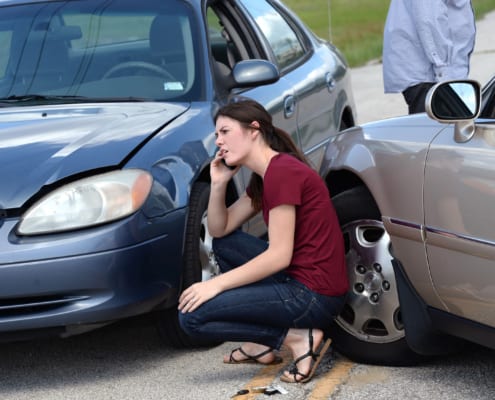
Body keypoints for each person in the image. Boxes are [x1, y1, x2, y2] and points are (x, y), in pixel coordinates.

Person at [178, 99, 349, 384]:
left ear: (253, 129)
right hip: (300, 279)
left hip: (313, 295)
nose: (218, 141)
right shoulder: (267, 174)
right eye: (217, 134)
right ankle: (260, 345)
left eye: (225, 132)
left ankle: (296, 338)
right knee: (225, 244)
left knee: (192, 317)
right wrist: (218, 184)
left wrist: (214, 284)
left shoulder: (282, 173)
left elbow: (279, 256)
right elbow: (220, 230)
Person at [382, 0, 476, 114]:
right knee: (436, 130)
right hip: (432, 76)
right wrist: (443, 74)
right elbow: (428, 19)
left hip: (435, 74)